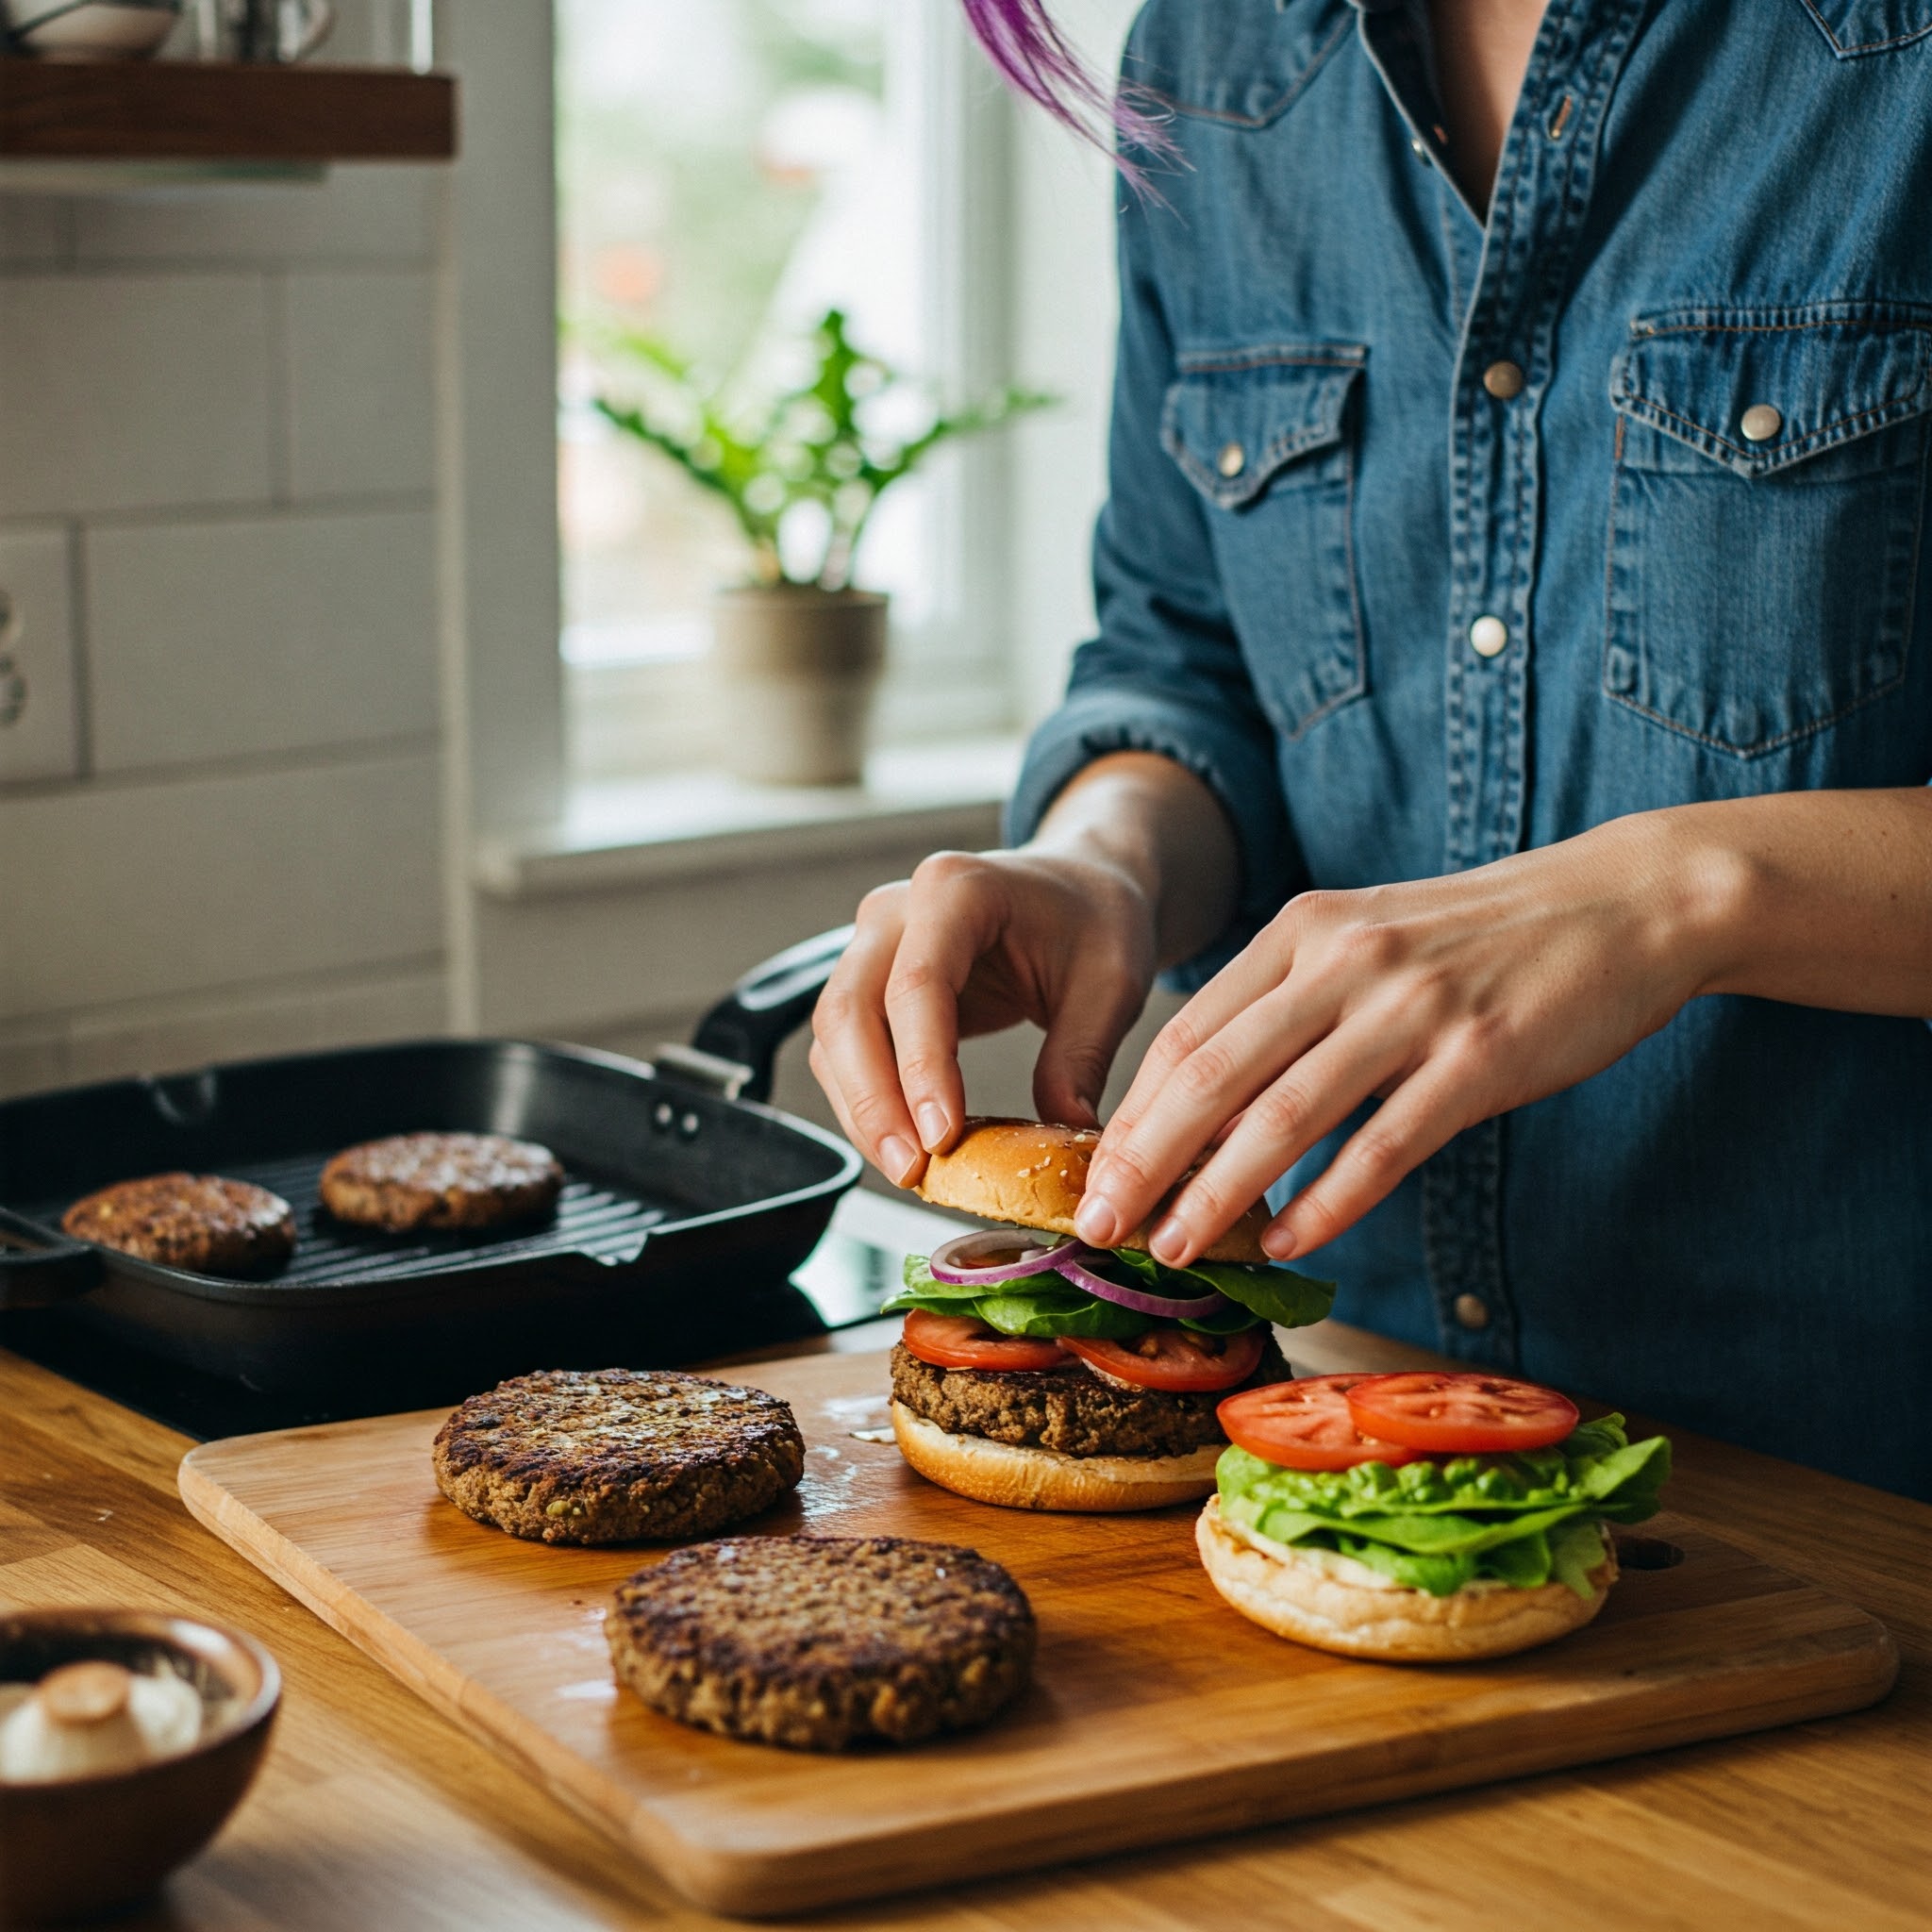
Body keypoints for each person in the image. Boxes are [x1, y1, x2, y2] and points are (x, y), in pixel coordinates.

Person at [809, 0, 1932, 1500]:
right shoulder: (1212, 61)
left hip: (1865, 1464)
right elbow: (1186, 653)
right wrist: (1104, 862)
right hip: (1357, 1416)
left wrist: (1680, 894)